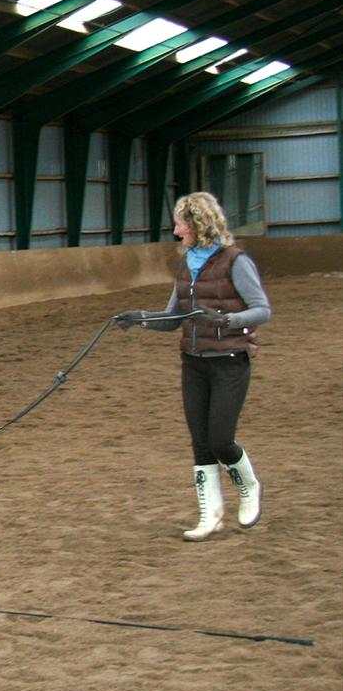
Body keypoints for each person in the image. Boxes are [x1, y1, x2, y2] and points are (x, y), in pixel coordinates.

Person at [114, 191, 271, 541]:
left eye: (181, 223)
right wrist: (140, 318)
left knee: (220, 440)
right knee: (201, 444)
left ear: (198, 224)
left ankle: (248, 487)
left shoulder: (235, 261)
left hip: (230, 361)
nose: (176, 230)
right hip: (194, 362)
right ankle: (210, 515)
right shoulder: (186, 264)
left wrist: (228, 321)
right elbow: (174, 318)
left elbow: (262, 309)